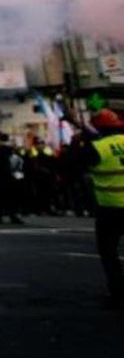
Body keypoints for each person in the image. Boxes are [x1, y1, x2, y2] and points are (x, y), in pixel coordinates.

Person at [73, 108, 124, 305]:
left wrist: (79, 143)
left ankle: (118, 293)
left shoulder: (97, 148)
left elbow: (74, 166)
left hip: (109, 208)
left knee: (109, 251)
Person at [0, 132, 24, 225]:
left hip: (0, 177)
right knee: (7, 198)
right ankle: (9, 216)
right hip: (5, 177)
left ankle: (1, 217)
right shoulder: (7, 150)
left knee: (1, 198)